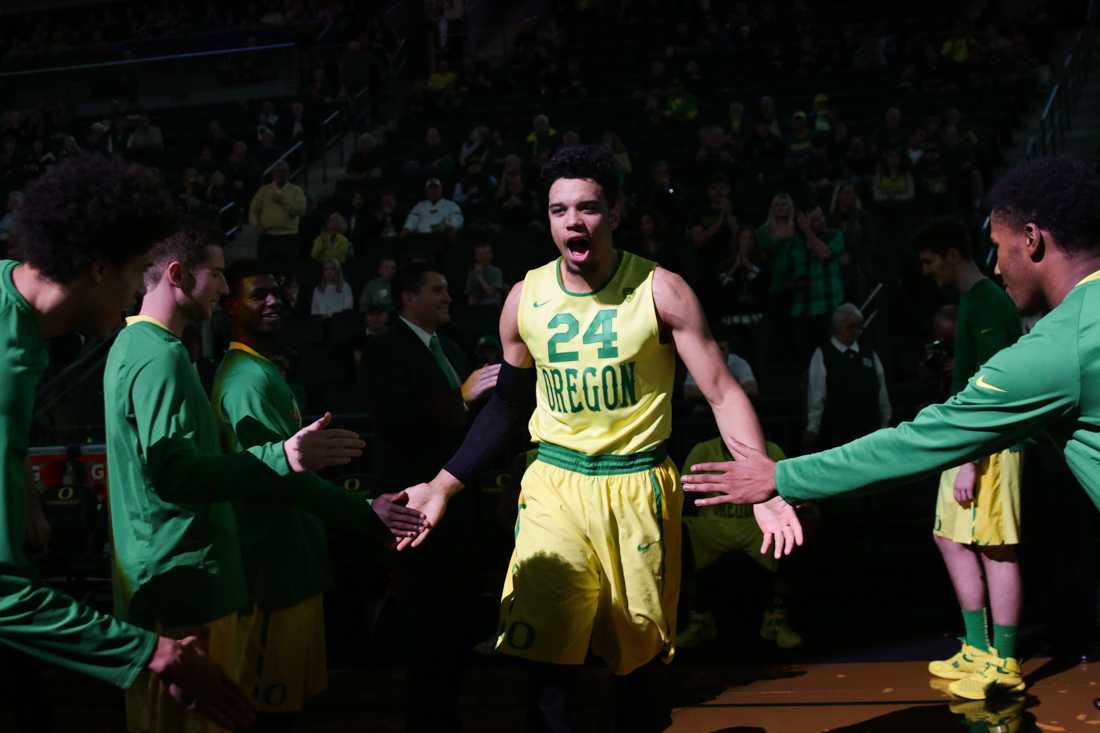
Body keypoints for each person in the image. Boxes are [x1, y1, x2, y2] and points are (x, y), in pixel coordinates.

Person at [398, 145, 802, 731]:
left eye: (588, 207)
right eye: (560, 210)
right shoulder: (523, 297)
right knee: (543, 656)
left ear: (615, 213)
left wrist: (762, 486)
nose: (574, 221)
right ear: (549, 219)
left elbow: (722, 392)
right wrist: (442, 485)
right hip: (554, 483)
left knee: (637, 665)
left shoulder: (662, 291)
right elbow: (509, 404)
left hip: (637, 483)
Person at [680, 156, 1100, 702]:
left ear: (1033, 239)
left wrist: (781, 475)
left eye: (998, 248)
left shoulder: (1058, 346)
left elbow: (919, 443)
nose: (996, 266)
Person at [103, 223, 390, 733]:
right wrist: (283, 456)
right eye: (215, 274)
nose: (220, 286)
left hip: (165, 577)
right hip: (189, 580)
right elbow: (175, 475)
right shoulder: (162, 355)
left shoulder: (133, 346)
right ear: (177, 275)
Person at [0, 156, 254, 731]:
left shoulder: (14, 300)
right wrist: (154, 653)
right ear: (96, 268)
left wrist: (21, 491)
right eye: (136, 269)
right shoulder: (8, 368)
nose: (143, 286)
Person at [213, 260, 427, 731]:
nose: (273, 300)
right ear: (228, 305)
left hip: (293, 563)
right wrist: (366, 511)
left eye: (277, 290)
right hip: (274, 571)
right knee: (269, 714)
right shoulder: (246, 381)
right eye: (257, 294)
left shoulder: (261, 371)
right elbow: (275, 477)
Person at [366, 261, 501, 732]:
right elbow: (395, 421)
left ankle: (445, 713)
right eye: (438, 289)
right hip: (416, 514)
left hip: (456, 514)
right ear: (408, 298)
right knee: (428, 626)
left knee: (454, 623)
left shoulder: (450, 347)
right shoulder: (385, 350)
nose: (449, 296)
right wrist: (461, 397)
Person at [915, 219, 1024, 697]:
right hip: (964, 441)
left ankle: (1005, 662)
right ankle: (978, 649)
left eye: (929, 261)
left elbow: (996, 391)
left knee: (996, 548)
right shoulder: (970, 303)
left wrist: (971, 461)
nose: (926, 271)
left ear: (952, 253)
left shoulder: (989, 302)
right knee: (948, 537)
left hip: (991, 447)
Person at [804, 303, 891, 452]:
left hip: (869, 430)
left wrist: (885, 422)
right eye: (851, 326)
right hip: (837, 432)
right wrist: (813, 427)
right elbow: (817, 395)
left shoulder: (869, 352)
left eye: (859, 326)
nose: (856, 331)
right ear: (837, 327)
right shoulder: (823, 354)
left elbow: (882, 391)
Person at [249, 160, 307, 274]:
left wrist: (283, 201)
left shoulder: (296, 191)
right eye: (278, 171)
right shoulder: (264, 190)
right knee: (265, 271)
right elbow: (253, 211)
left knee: (288, 272)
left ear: (288, 173)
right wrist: (256, 225)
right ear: (273, 174)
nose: (280, 174)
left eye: (284, 171)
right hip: (268, 237)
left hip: (289, 237)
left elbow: (301, 211)